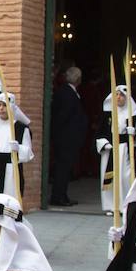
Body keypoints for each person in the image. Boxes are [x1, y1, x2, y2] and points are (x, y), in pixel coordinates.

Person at [96, 86, 136, 215]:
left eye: (121, 95)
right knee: (110, 177)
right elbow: (100, 132)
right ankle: (111, 206)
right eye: (116, 95)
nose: (118, 97)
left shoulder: (132, 114)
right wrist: (104, 143)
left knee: (125, 177)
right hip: (110, 148)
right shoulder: (108, 113)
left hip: (126, 149)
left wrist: (134, 133)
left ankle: (125, 205)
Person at [49, 66, 87, 206]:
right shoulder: (66, 92)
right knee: (62, 169)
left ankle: (62, 195)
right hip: (65, 139)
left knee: (65, 169)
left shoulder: (69, 91)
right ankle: (58, 197)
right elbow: (62, 117)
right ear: (78, 79)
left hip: (67, 138)